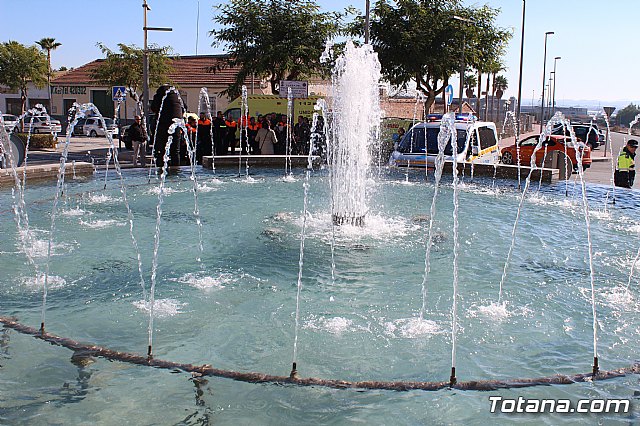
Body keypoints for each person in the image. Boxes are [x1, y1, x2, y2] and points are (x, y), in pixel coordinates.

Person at [150, 84, 184, 168]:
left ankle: (160, 170)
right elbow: (184, 108)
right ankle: (176, 171)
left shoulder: (160, 96)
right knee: (175, 151)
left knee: (161, 151)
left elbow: (153, 107)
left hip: (163, 125)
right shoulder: (177, 96)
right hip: (176, 126)